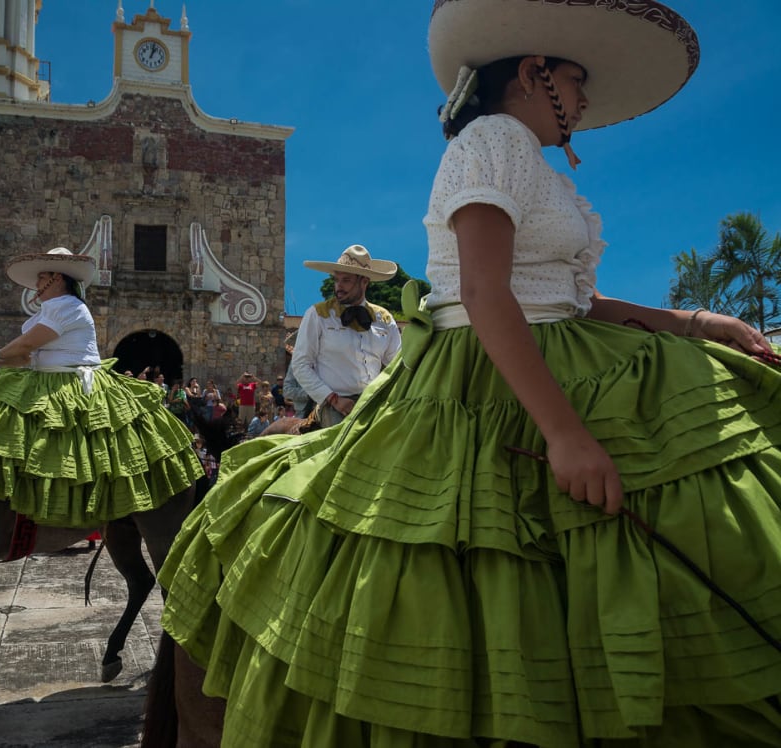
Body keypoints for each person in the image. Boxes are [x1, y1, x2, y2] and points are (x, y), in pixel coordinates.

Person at [156, 2, 781, 746]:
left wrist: (694, 322)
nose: (583, 102)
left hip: (560, 349)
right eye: (576, 83)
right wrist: (564, 435)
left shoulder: (534, 167)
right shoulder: (493, 142)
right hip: (484, 375)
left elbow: (575, 301)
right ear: (532, 74)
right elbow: (487, 295)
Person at [0, 247, 203, 526]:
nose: (37, 283)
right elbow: (26, 356)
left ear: (57, 278)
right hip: (44, 377)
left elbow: (26, 344)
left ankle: (79, 504)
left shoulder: (70, 307)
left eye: (42, 277)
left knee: (76, 442)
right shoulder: (44, 313)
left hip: (72, 381)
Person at [290, 244, 402, 427]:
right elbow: (300, 365)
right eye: (336, 280)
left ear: (364, 281)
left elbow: (397, 366)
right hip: (333, 403)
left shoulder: (385, 319)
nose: (338, 286)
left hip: (373, 403)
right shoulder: (318, 315)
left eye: (346, 280)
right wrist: (333, 399)